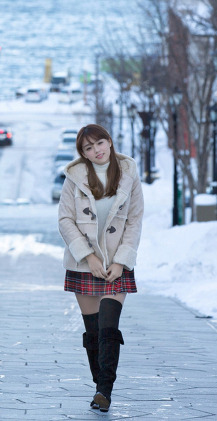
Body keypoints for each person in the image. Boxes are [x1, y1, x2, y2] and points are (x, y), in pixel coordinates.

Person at [57, 124, 144, 413]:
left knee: (109, 328)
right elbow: (65, 221)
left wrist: (121, 260)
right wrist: (88, 257)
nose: (97, 151)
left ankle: (105, 389)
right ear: (82, 153)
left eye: (100, 143)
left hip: (117, 265)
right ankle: (99, 388)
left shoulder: (129, 173)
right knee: (93, 334)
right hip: (85, 265)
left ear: (110, 140)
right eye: (88, 148)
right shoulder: (75, 177)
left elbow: (134, 221)